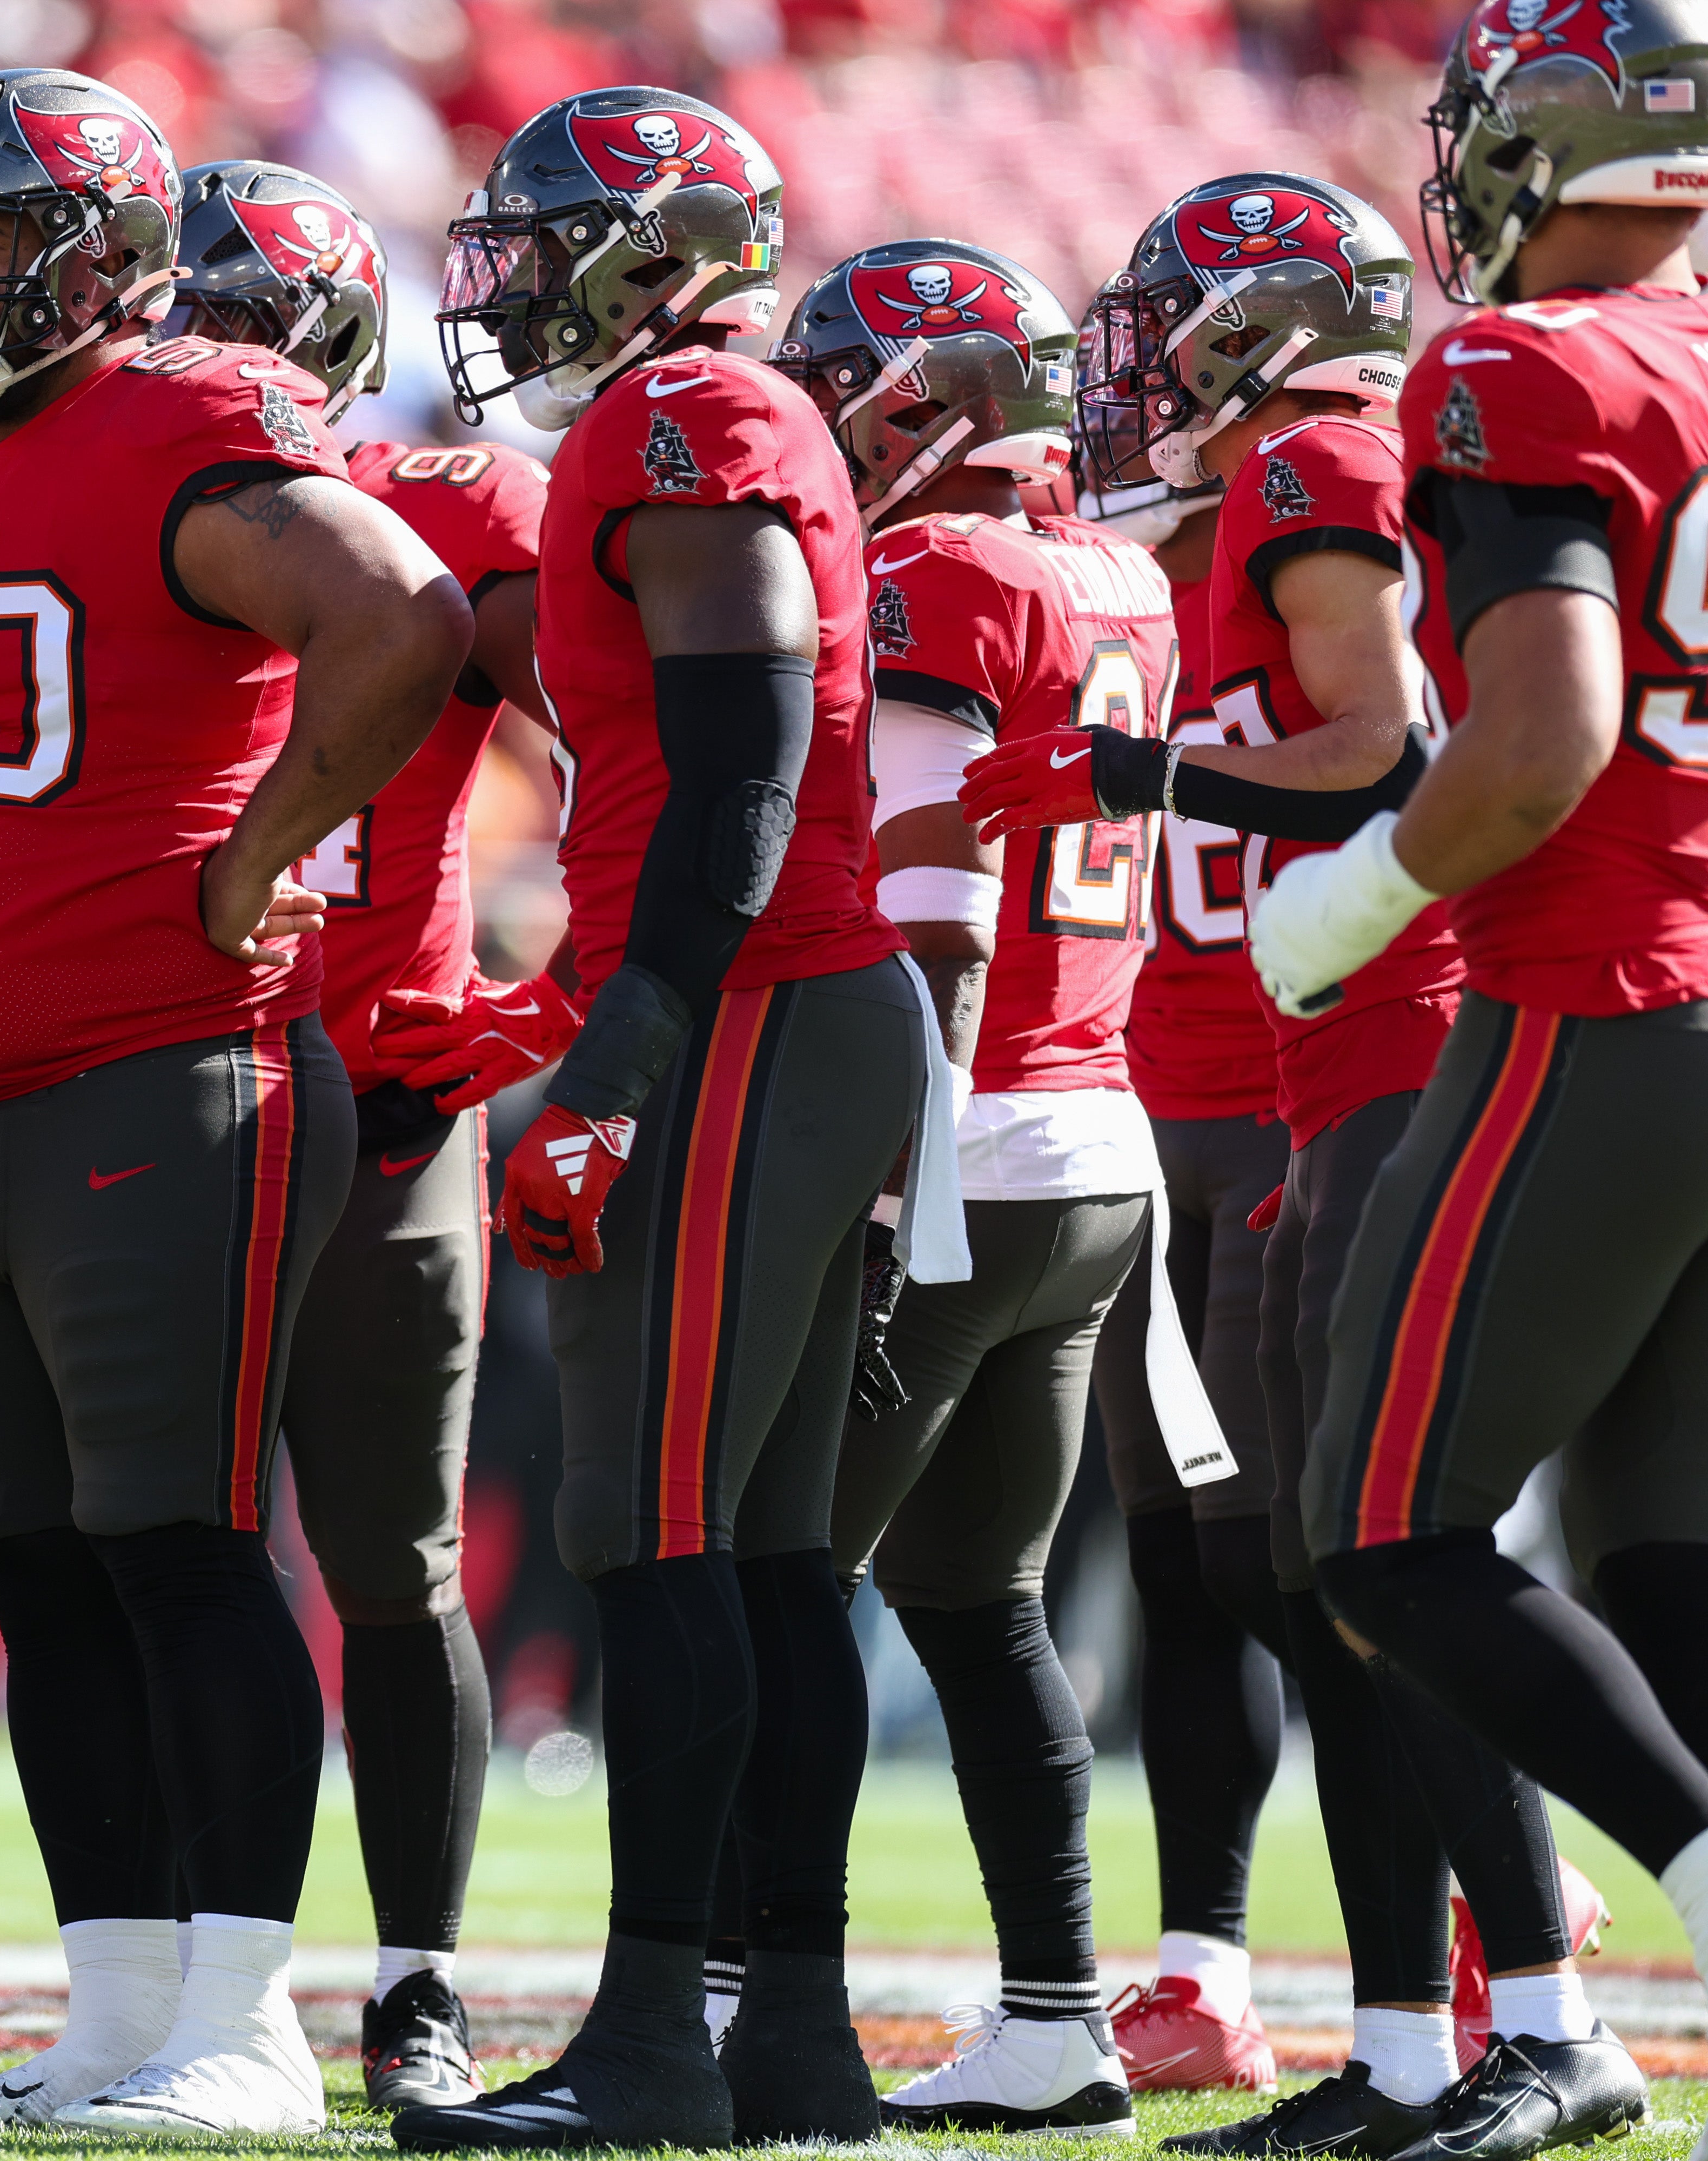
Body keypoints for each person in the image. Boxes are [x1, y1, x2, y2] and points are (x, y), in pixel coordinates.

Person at [0, 65, 471, 2138]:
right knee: (37, 1568)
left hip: (161, 1079)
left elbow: (403, 615)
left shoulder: (180, 420)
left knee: (181, 1547)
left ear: (107, 262)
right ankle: (120, 2011)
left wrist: (262, 845)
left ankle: (248, 2023)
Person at [967, 169, 1632, 2159]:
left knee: (1372, 1562)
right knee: (1302, 1578)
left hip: (1376, 1064)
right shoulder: (1242, 498)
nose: (1133, 376)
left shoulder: (1314, 462)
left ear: (1257, 329)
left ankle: (1548, 2012)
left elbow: (1385, 744)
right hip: (1294, 1073)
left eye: (1164, 333)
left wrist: (1133, 770)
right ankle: (1410, 2049)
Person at [392, 88, 924, 2156]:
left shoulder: (682, 415)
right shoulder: (703, 415)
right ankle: (788, 2039)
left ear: (651, 253)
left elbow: (746, 778)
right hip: (778, 1005)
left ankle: (648, 2045)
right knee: (766, 1552)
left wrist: (614, 1068)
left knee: (654, 1527)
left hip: (745, 1009)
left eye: (542, 251)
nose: (510, 290)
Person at [1251, 9, 1708, 2156]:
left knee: (1384, 1534)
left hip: (1594, 993)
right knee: (1663, 1568)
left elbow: (1540, 742)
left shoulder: (1535, 360)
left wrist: (1352, 901)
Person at [160, 155, 557, 2116]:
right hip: (165, 1097)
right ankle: (177, 1976)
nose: (214, 353)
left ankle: (418, 1979)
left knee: (393, 1560)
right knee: (171, 1552)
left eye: (247, 319)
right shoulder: (94, 506)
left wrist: (544, 1010)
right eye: (187, 315)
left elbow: (640, 759)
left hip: (386, 1101)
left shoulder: (447, 508)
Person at [778, 238, 1170, 2136]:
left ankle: (748, 2002)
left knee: (778, 1584)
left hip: (968, 1144)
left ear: (925, 405)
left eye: (841, 396)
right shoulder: (1121, 571)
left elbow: (937, 903)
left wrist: (884, 1184)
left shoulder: (940, 566)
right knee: (980, 1600)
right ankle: (1054, 2024)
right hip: (1097, 1149)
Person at [1070, 444, 1295, 2099]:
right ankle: (1205, 1974)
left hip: (1307, 1106)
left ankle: (1499, 1889)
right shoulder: (1102, 580)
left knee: (1306, 1564)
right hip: (1147, 1111)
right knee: (1182, 1569)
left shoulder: (1342, 543)